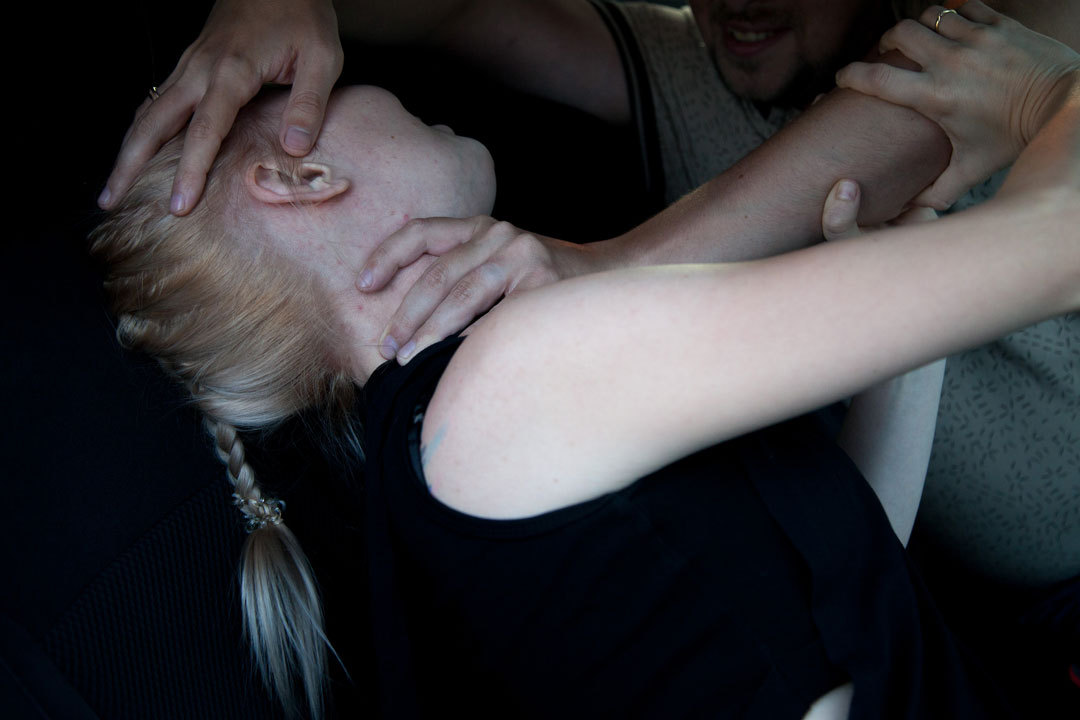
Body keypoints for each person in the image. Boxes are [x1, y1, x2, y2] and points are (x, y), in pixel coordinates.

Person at [91, 5, 1079, 716]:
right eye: (350, 90)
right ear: (301, 174)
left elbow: (832, 587)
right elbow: (1061, 243)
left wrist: (903, 292)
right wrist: (1048, 91)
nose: (389, 91)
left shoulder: (472, 425)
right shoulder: (512, 378)